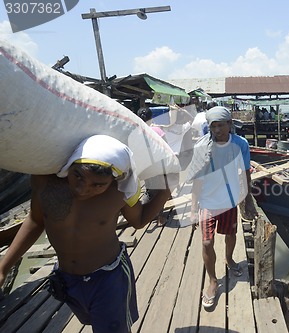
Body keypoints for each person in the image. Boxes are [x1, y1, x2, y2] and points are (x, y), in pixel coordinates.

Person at [0, 134, 174, 333]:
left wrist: (165, 191)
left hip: (109, 279)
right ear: (70, 165)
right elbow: (35, 220)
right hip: (67, 279)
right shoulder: (45, 183)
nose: (82, 189)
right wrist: (3, 267)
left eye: (97, 185)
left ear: (112, 181)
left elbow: (139, 220)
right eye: (78, 176)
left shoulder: (119, 192)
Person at [187, 106, 258, 310]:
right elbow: (197, 179)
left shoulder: (240, 144)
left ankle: (229, 259)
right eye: (213, 126)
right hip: (208, 201)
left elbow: (245, 172)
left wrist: (249, 200)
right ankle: (212, 280)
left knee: (230, 233)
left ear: (230, 125)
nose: (217, 130)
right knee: (207, 241)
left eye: (221, 125)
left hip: (229, 199)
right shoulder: (202, 147)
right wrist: (193, 208)